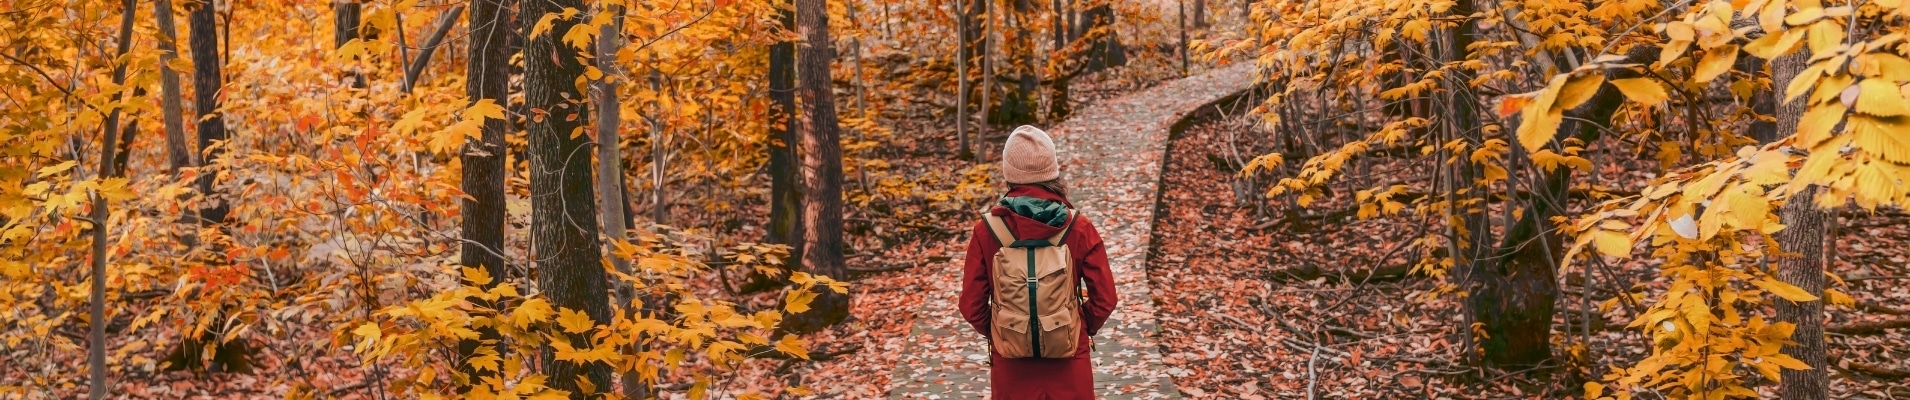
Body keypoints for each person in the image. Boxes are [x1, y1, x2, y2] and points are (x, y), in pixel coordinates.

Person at [960, 125, 1120, 399]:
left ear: (1009, 172)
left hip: (1011, 366)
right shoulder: (1079, 227)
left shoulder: (986, 230)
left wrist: (1005, 330)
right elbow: (1106, 298)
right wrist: (1076, 326)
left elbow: (971, 305)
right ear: (1052, 169)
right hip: (1069, 362)